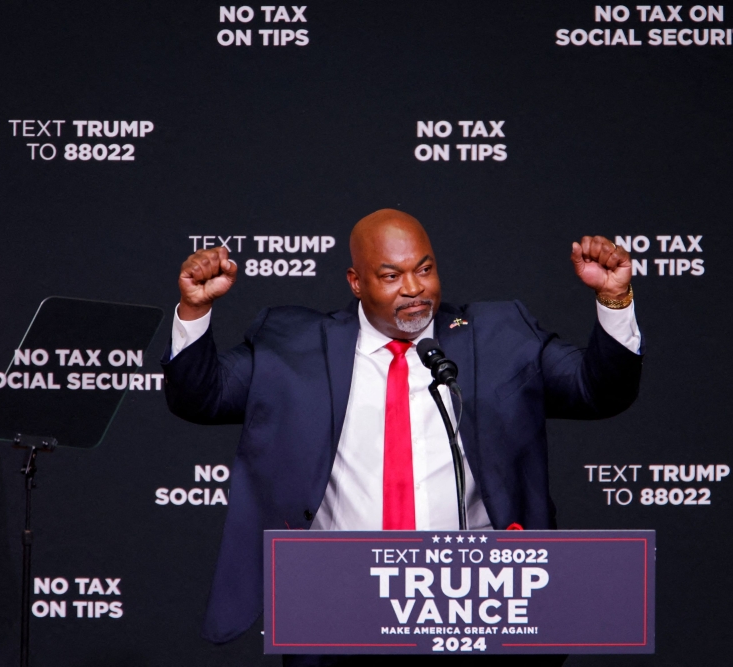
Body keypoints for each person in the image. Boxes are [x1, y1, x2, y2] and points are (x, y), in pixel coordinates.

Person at [162, 209, 644, 664]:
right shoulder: (292, 344)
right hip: (336, 609)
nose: (414, 289)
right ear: (356, 282)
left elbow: (597, 392)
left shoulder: (501, 334)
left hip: (469, 610)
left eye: (425, 269)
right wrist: (194, 310)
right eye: (391, 276)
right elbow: (201, 398)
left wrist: (614, 299)